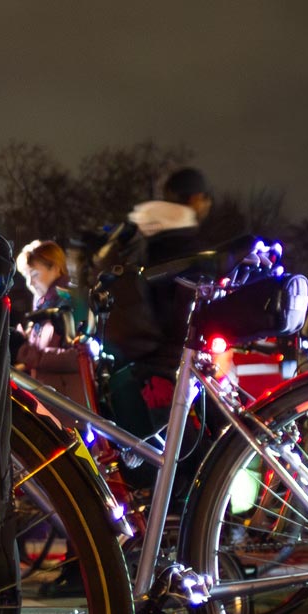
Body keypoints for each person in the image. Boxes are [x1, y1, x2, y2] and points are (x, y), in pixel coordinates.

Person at [99, 166, 217, 436]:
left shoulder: (143, 238)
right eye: (205, 197)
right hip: (169, 368)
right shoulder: (185, 243)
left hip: (134, 367)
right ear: (194, 199)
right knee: (191, 460)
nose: (208, 204)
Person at [12, 239, 92, 408]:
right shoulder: (42, 308)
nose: (30, 283)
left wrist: (28, 354)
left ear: (55, 267)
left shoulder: (71, 301)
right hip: (53, 404)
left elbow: (82, 356)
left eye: (34, 274)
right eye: (26, 276)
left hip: (72, 406)